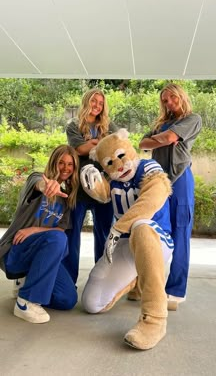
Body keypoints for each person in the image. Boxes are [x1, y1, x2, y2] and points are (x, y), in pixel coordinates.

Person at [80, 129, 174, 350]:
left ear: (129, 149)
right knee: (92, 303)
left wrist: (117, 228)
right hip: (126, 244)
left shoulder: (148, 168)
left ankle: (154, 320)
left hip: (155, 239)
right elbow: (103, 193)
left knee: (140, 226)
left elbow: (151, 200)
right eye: (110, 163)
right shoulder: (113, 180)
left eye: (121, 156)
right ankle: (135, 279)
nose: (119, 166)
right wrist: (91, 179)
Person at [0, 145, 79, 324]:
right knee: (58, 239)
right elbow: (39, 184)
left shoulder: (66, 199)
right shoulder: (36, 179)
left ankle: (27, 283)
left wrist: (36, 229)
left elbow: (60, 229)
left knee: (68, 300)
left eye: (70, 164)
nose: (66, 168)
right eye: (61, 162)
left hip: (40, 253)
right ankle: (25, 302)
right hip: (16, 250)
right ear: (53, 162)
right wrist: (46, 185)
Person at [139, 83, 202, 304]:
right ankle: (152, 285)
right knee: (156, 232)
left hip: (181, 180)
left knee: (181, 233)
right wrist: (164, 137)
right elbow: (142, 143)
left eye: (172, 98)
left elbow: (165, 140)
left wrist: (162, 139)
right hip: (159, 181)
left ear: (180, 96)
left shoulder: (192, 119)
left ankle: (176, 290)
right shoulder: (162, 123)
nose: (169, 103)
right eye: (165, 100)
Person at [64, 88, 118, 284]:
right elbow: (79, 149)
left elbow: (117, 147)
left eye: (100, 103)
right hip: (78, 187)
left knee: (104, 234)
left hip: (103, 188)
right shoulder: (74, 126)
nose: (97, 105)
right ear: (87, 102)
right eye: (93, 101)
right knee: (72, 233)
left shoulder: (109, 125)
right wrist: (100, 143)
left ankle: (101, 280)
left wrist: (93, 143)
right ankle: (69, 280)